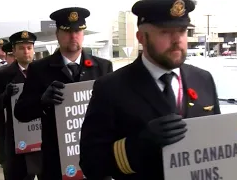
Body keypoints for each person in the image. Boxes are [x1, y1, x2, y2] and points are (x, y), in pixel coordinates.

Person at [79, 0, 221, 179]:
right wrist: (139, 145)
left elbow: (217, 145)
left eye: (182, 31)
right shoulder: (111, 88)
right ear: (141, 38)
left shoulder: (203, 79)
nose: (177, 40)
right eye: (165, 32)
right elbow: (90, 163)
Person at [14, 7, 113, 179]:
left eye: (78, 31)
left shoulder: (103, 67)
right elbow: (21, 112)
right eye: (67, 32)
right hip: (56, 160)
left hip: (95, 157)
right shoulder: (39, 69)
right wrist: (42, 102)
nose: (73, 36)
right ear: (57, 34)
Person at [0, 30, 39, 180]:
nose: (26, 52)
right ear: (13, 51)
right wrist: (5, 95)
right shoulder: (4, 74)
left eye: (29, 47)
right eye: (21, 48)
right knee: (19, 174)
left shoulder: (43, 71)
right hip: (16, 136)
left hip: (41, 135)